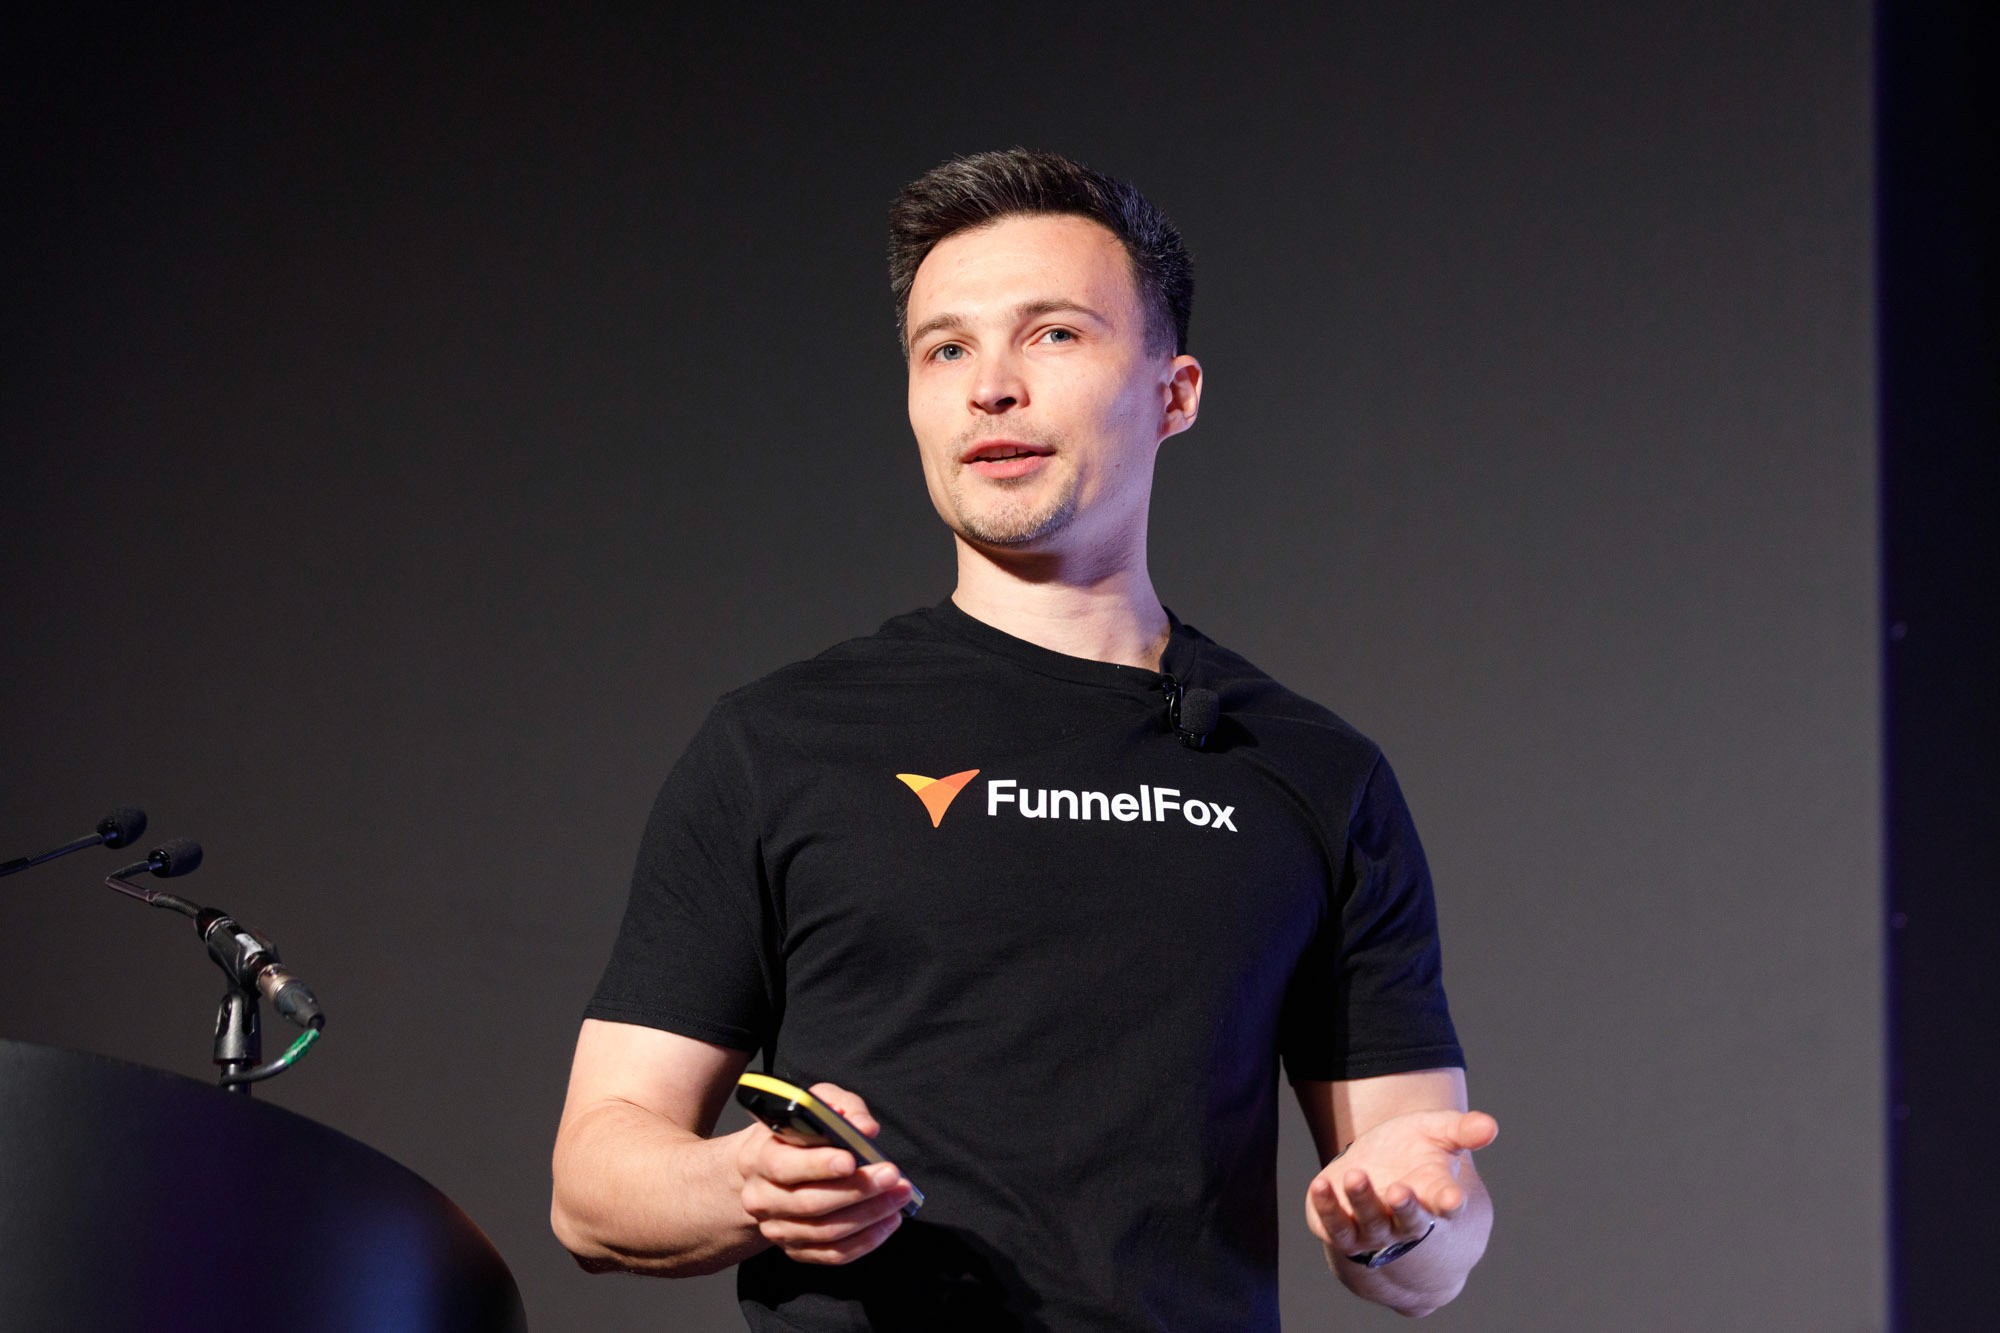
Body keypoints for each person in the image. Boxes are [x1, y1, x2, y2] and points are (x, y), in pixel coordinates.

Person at [551, 147, 1496, 1329]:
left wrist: (1400, 1216)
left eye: (1051, 334)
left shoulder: (1313, 771)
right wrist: (744, 1181)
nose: (989, 387)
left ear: (1173, 393)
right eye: (944, 349)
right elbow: (592, 1184)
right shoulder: (778, 743)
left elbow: (1427, 1235)